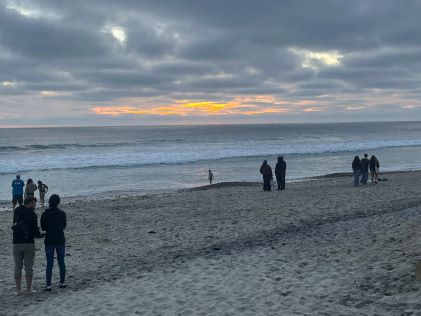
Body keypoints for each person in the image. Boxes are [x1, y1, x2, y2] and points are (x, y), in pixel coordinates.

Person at [12, 196, 43, 294]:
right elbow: (35, 230)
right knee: (28, 267)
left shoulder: (17, 210)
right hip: (29, 242)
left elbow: (15, 223)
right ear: (29, 203)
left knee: (18, 266)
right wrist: (40, 234)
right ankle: (29, 289)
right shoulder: (32, 214)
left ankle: (18, 290)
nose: (35, 205)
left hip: (17, 242)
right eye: (34, 203)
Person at [41, 194, 67, 291]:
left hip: (49, 240)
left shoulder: (45, 214)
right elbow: (64, 226)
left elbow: (43, 228)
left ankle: (48, 285)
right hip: (60, 239)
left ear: (49, 202)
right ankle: (62, 282)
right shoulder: (62, 213)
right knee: (61, 262)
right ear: (58, 203)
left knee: (49, 263)